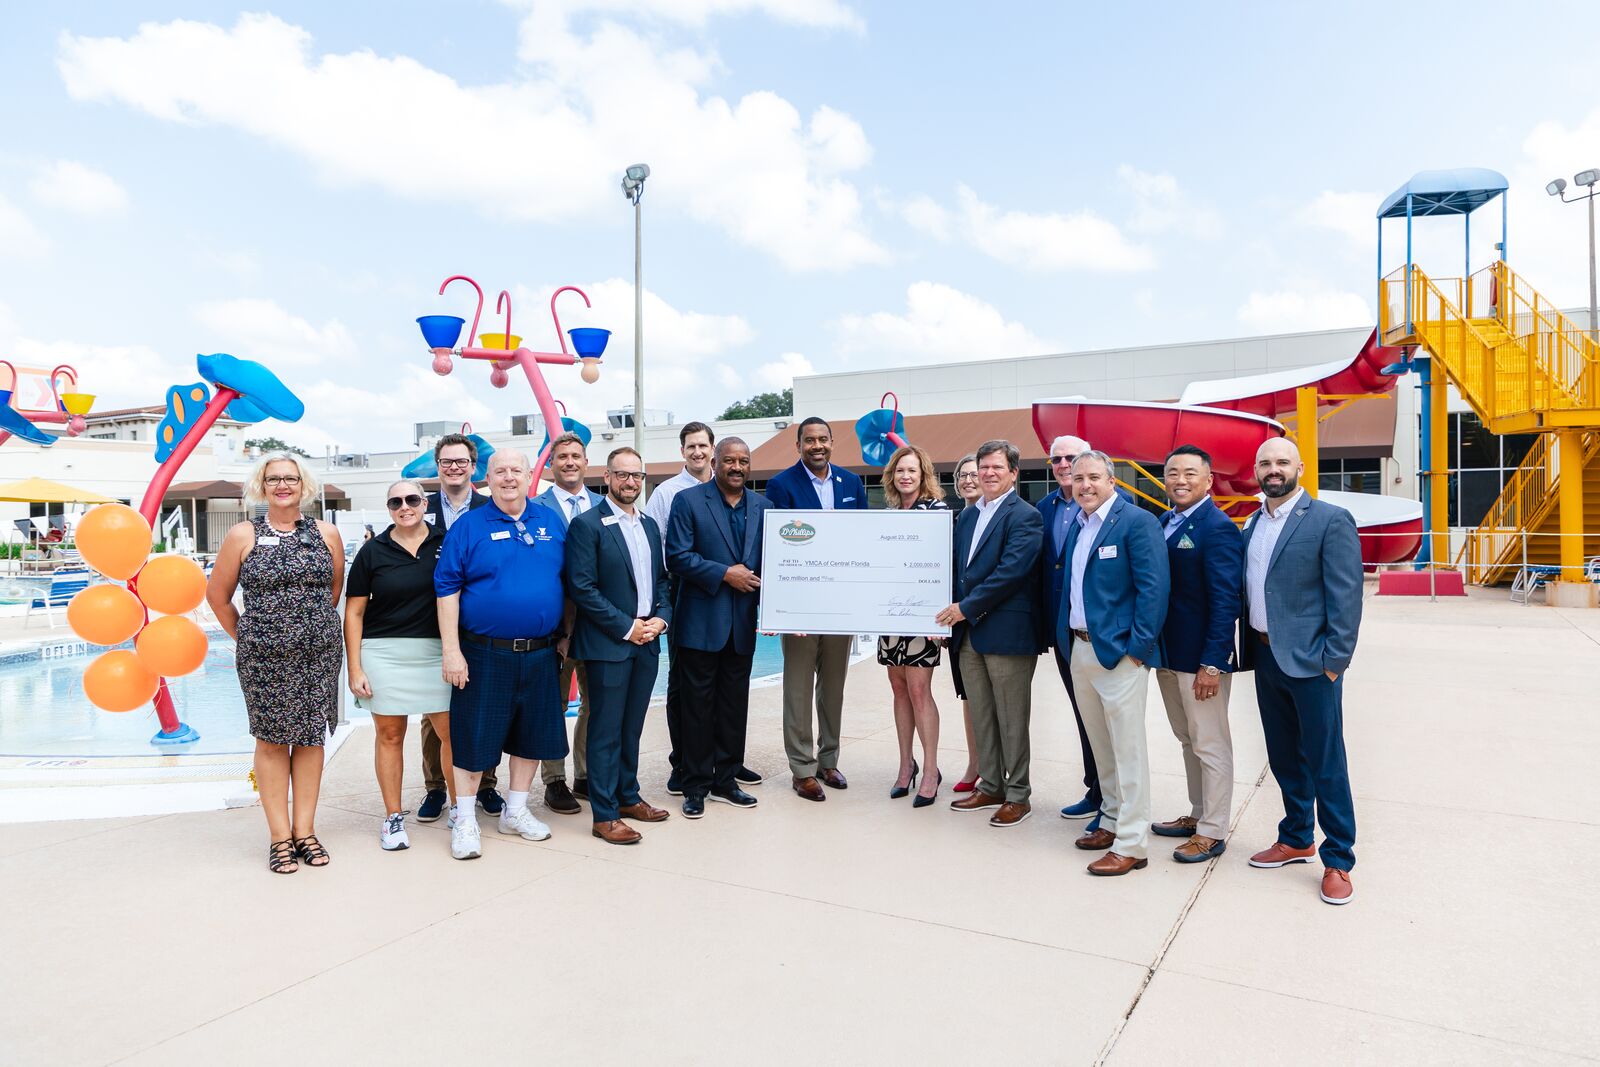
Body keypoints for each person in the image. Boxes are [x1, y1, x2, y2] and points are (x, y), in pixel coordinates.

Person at [206, 452, 345, 874]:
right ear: (261, 486)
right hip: (263, 657)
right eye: (274, 479)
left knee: (310, 739)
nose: (283, 485)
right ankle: (280, 837)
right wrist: (251, 636)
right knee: (270, 741)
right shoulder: (242, 534)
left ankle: (305, 831)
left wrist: (307, 631)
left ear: (304, 485)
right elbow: (218, 597)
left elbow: (332, 591)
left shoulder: (327, 533)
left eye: (291, 478)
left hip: (318, 654)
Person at [1239, 437, 1363, 905]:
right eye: (1265, 462)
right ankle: (1296, 837)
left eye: (1282, 462)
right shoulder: (1252, 523)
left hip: (1313, 664)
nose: (1273, 469)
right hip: (1267, 657)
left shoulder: (1330, 520)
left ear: (1300, 467)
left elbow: (1346, 597)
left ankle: (1338, 859)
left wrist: (1335, 663)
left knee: (1326, 762)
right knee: (1284, 756)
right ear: (1257, 470)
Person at [434, 449, 572, 861]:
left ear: (530, 476)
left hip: (540, 652)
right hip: (482, 653)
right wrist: (452, 651)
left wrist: (566, 634)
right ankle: (465, 819)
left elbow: (568, 581)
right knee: (473, 740)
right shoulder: (468, 526)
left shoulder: (550, 521)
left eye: (516, 470)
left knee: (531, 737)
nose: (508, 477)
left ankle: (515, 810)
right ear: (486, 479)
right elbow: (447, 590)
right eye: (500, 471)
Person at [1060, 450, 1170, 877]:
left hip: (1119, 654)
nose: (1084, 485)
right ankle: (1109, 819)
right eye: (1077, 478)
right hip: (1081, 649)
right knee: (1101, 746)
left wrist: (1137, 651)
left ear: (1112, 480)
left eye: (1093, 477)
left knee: (1128, 751)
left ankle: (1133, 842)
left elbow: (1153, 591)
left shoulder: (1136, 522)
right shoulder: (1079, 523)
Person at [645, 421, 763, 795]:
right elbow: (677, 556)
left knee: (733, 707)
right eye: (729, 460)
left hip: (742, 626)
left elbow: (776, 564)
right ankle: (695, 785)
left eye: (743, 461)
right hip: (699, 622)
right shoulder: (687, 500)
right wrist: (726, 574)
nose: (736, 467)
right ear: (717, 459)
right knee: (696, 708)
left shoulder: (764, 507)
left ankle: (726, 780)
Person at [564, 447, 674, 845]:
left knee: (632, 728)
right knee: (605, 731)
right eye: (622, 475)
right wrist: (628, 627)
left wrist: (660, 619)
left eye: (637, 476)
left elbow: (662, 582)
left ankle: (628, 796)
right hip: (610, 643)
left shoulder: (648, 526)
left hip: (647, 642)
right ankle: (605, 814)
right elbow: (583, 588)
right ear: (607, 477)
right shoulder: (587, 525)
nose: (630, 482)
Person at [344, 480, 454, 851]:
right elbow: (354, 612)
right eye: (395, 501)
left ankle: (460, 809)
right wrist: (355, 667)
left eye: (411, 499)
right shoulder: (372, 551)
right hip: (384, 652)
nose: (404, 506)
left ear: (425, 503)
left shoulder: (446, 542)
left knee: (450, 734)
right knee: (390, 736)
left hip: (437, 651)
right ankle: (392, 818)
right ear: (388, 508)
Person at [763, 416, 868, 801]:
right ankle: (802, 768)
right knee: (798, 686)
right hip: (802, 606)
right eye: (810, 440)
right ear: (799, 446)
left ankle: (829, 760)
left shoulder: (851, 483)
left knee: (834, 686)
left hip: (841, 603)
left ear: (832, 442)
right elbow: (779, 547)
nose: (817, 446)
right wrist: (784, 607)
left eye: (823, 439)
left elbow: (862, 540)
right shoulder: (781, 485)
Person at [938, 440, 1042, 828]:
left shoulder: (1025, 516)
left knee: (1012, 719)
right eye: (983, 467)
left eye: (997, 467)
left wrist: (964, 608)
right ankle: (992, 785)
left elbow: (1011, 572)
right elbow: (956, 571)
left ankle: (1018, 795)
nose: (989, 473)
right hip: (970, 635)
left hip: (1007, 632)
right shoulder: (966, 516)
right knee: (982, 714)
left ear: (1013, 473)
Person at [1152, 445, 1242, 864]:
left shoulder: (1217, 527)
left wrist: (1213, 663)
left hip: (1201, 662)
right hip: (1169, 656)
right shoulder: (1166, 521)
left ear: (1208, 480)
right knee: (1188, 740)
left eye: (1190, 473)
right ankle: (1198, 812)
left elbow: (1227, 601)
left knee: (1210, 743)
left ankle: (1213, 831)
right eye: (1173, 473)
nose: (1180, 480)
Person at [418, 432, 499, 824]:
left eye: (461, 461)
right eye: (447, 462)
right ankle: (435, 787)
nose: (454, 467)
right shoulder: (418, 507)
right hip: (431, 620)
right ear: (438, 467)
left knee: (487, 704)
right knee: (435, 709)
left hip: (482, 620)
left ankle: (486, 784)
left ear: (473, 466)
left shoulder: (491, 506)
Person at [532, 431, 604, 816]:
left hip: (599, 625)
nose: (570, 462)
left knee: (595, 703)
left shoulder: (604, 505)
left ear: (586, 462)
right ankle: (554, 780)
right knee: (553, 704)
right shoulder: (536, 509)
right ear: (552, 464)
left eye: (577, 455)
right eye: (563, 457)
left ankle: (587, 774)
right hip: (555, 627)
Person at [1036, 434, 1104, 827]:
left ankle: (1114, 801)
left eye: (1072, 458)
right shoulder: (1043, 508)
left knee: (1111, 722)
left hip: (1105, 636)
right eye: (1058, 459)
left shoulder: (1119, 508)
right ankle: (1094, 790)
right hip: (1064, 633)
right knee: (1084, 715)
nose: (1064, 465)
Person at [877, 444, 949, 807]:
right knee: (898, 688)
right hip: (891, 615)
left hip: (923, 616)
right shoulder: (888, 515)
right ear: (892, 476)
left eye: (913, 471)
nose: (906, 476)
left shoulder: (938, 512)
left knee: (920, 690)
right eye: (900, 470)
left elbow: (943, 565)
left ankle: (932, 769)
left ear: (924, 476)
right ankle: (906, 766)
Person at [948, 453, 982, 792]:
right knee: (969, 698)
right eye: (963, 476)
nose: (969, 480)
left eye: (974, 474)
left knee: (990, 700)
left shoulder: (998, 518)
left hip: (988, 622)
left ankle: (993, 765)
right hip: (959, 626)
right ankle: (975, 763)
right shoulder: (955, 521)